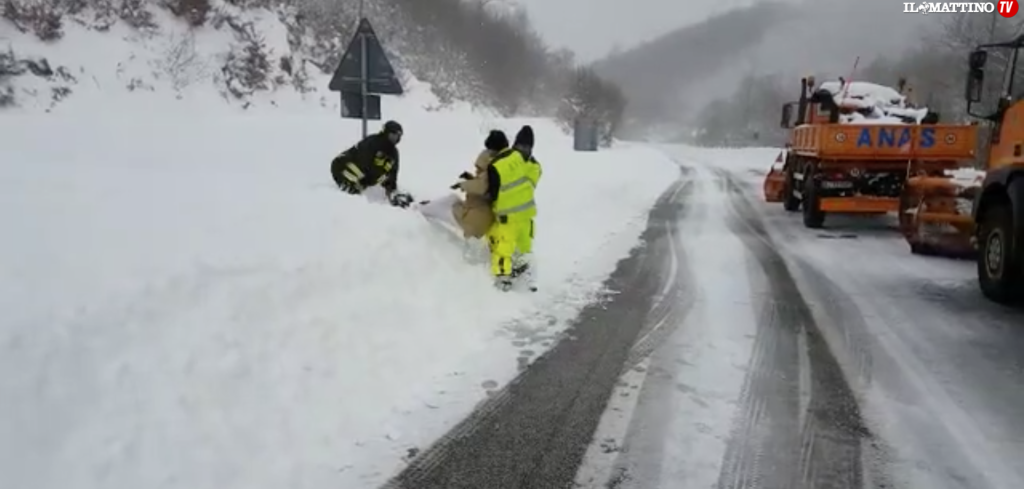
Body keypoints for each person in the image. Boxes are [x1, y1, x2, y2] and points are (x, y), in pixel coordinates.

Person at [480, 130, 537, 291]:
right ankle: (528, 280)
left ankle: (503, 281)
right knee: (524, 250)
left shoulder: (500, 163)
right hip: (526, 217)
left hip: (507, 218)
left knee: (502, 249)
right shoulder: (534, 165)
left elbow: (491, 190)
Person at [330, 120, 413, 207]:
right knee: (353, 197)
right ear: (386, 133)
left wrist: (392, 192)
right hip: (342, 167)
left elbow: (392, 174)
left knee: (361, 189)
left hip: (361, 177)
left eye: (398, 136)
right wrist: (377, 177)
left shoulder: (394, 153)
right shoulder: (372, 142)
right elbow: (365, 163)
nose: (396, 139)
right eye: (393, 135)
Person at [509, 125, 541, 287]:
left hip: (516, 216)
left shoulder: (515, 163)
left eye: (525, 146)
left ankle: (523, 282)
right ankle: (522, 280)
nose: (522, 149)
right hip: (519, 216)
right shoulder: (534, 166)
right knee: (518, 251)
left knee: (519, 251)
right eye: (521, 146)